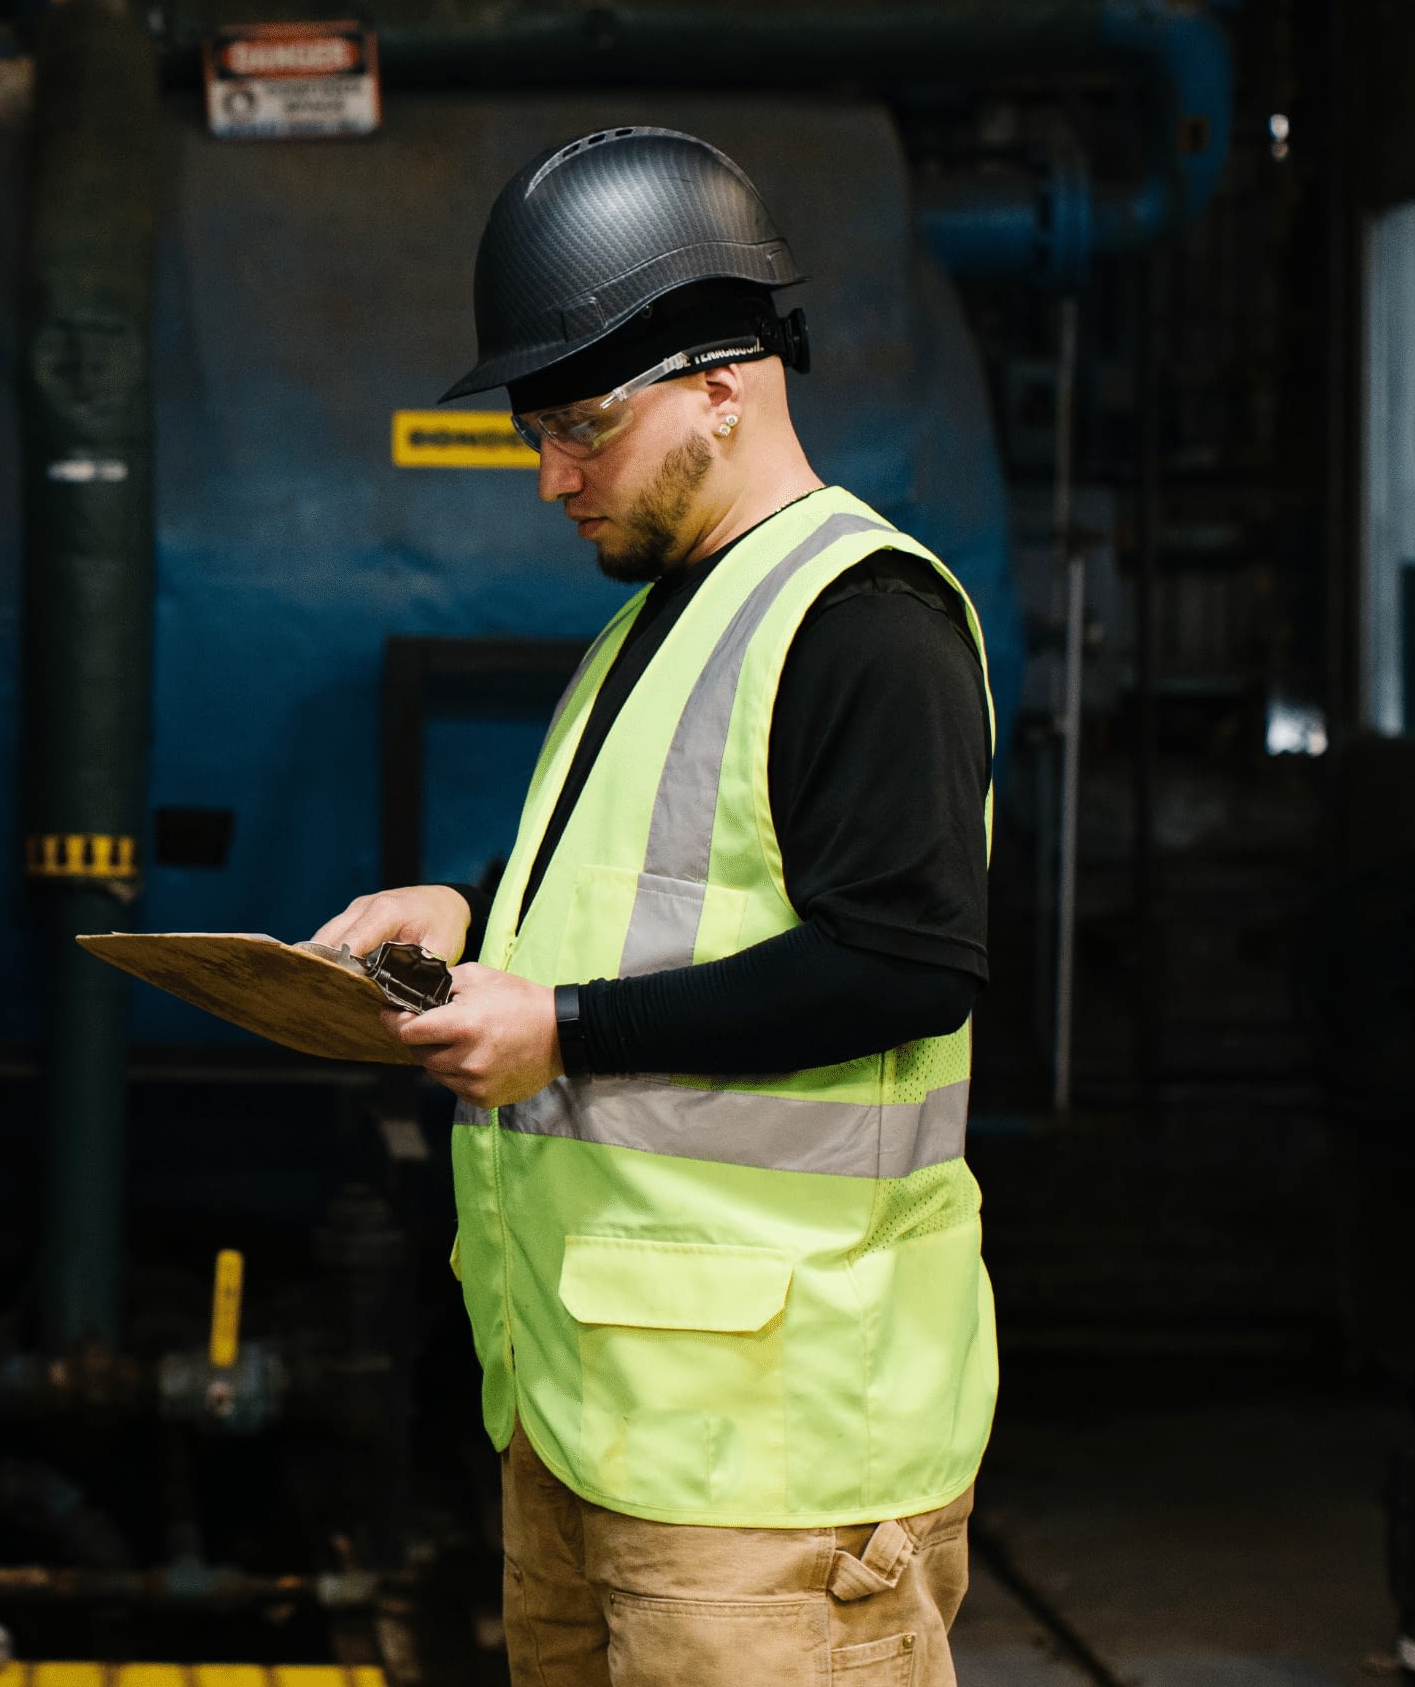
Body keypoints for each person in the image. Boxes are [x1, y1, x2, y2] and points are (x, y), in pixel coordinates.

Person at [314, 128, 995, 1684]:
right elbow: (660, 889)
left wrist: (560, 1027)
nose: (552, 475)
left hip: (779, 1467)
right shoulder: (668, 615)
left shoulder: (865, 623)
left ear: (722, 385)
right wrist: (471, 915)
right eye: (537, 432)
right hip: (603, 1427)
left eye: (580, 428)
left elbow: (903, 963)